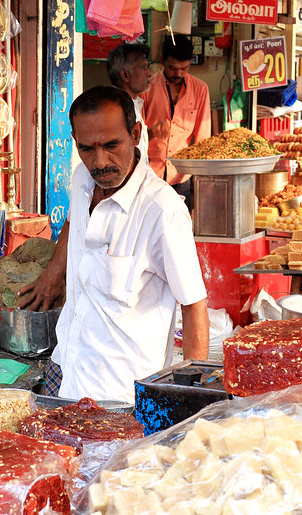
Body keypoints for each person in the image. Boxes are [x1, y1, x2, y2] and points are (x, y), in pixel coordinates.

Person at [20, 85, 209, 405]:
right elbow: (73, 220)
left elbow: (194, 306)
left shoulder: (161, 211)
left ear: (135, 133)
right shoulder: (82, 177)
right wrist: (53, 272)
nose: (100, 161)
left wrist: (191, 399)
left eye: (111, 145)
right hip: (64, 367)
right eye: (87, 148)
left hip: (119, 394)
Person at [141, 33, 211, 204]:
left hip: (181, 175)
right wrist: (150, 132)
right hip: (150, 173)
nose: (178, 73)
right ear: (162, 60)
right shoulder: (147, 87)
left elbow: (202, 138)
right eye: (173, 68)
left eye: (184, 68)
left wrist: (201, 177)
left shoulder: (200, 89)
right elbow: (135, 134)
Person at [105, 42, 152, 157]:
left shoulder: (134, 104)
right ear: (125, 75)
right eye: (143, 68)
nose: (149, 73)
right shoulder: (117, 109)